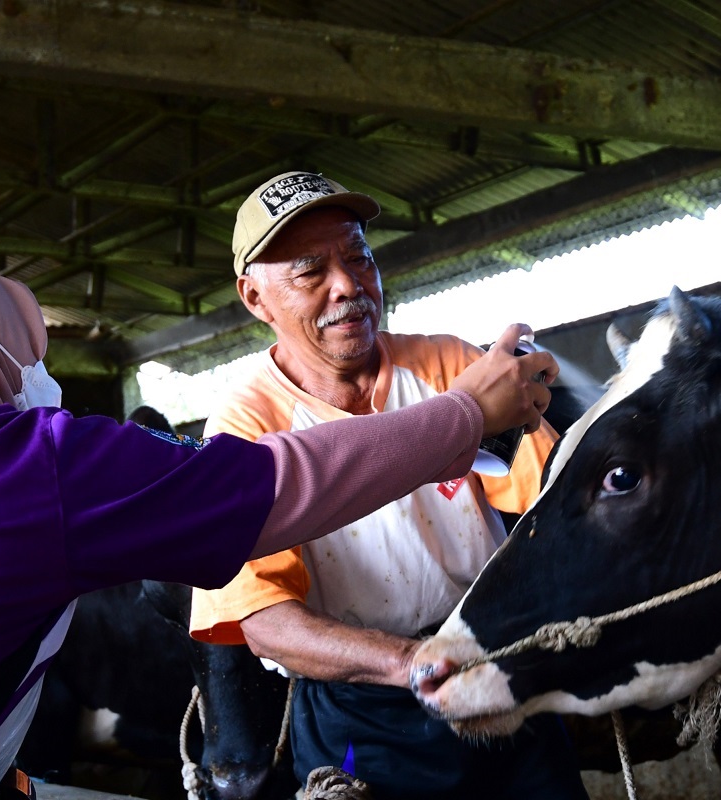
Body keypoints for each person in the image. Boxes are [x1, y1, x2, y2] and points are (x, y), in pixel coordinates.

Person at [0, 246, 556, 800]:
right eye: (23, 349)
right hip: (366, 705)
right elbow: (264, 495)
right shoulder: (17, 461)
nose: (36, 375)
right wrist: (464, 417)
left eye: (358, 259)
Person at [189, 172, 589, 799]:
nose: (348, 286)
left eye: (358, 256)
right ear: (255, 299)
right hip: (363, 709)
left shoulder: (449, 365)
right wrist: (409, 662)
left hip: (496, 676)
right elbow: (263, 619)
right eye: (309, 271)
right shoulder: (246, 426)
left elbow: (557, 507)